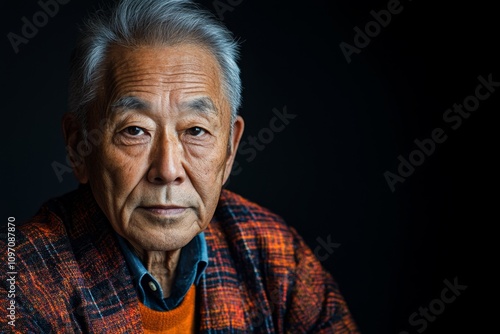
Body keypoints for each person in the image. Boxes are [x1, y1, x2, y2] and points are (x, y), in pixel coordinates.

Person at [0, 0, 359, 332]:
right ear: (79, 147)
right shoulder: (19, 279)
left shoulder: (275, 256)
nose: (168, 169)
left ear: (230, 149)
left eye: (196, 130)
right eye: (135, 130)